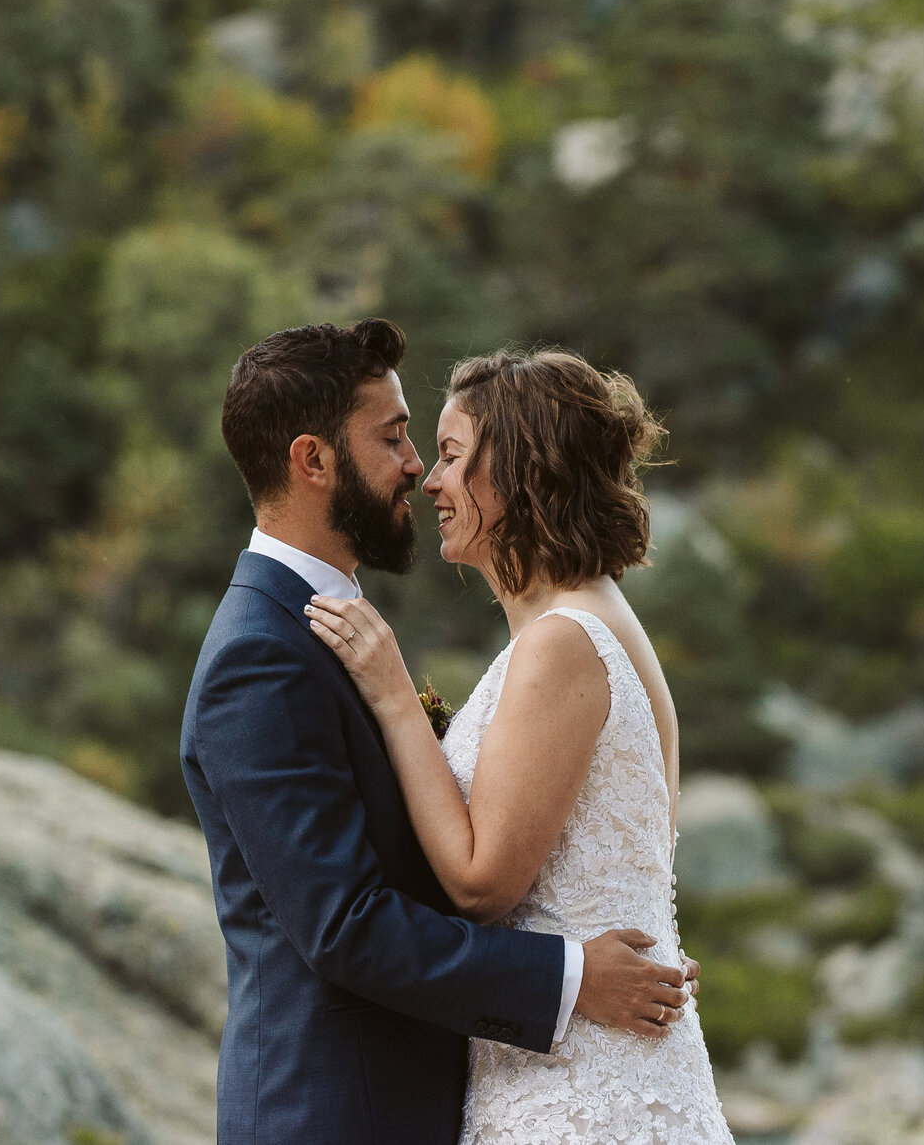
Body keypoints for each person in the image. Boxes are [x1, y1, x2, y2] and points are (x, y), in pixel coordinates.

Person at [181, 319, 697, 1145]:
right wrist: (573, 975)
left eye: (441, 449)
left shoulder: (365, 630)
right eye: (395, 439)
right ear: (313, 461)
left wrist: (623, 947)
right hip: (336, 1114)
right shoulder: (260, 653)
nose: (420, 469)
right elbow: (346, 924)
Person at [306, 346, 733, 1144]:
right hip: (605, 1065)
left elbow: (479, 884)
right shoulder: (601, 622)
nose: (430, 480)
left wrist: (396, 698)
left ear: (522, 470)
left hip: (575, 1096)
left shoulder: (562, 641)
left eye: (455, 456)